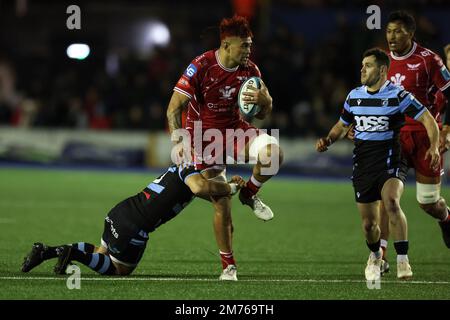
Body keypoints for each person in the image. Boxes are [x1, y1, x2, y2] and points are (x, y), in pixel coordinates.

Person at [166, 15, 283, 279]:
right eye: (245, 45)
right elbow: (173, 110)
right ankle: (228, 266)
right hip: (204, 139)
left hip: (234, 131)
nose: (249, 50)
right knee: (221, 203)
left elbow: (262, 115)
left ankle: (249, 193)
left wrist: (267, 101)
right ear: (227, 44)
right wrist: (179, 142)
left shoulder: (251, 71)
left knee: (273, 154)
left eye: (250, 45)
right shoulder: (201, 65)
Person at [316, 48, 440, 281]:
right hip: (363, 164)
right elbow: (342, 126)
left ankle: (403, 260)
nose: (362, 69)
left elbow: (427, 119)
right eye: (362, 65)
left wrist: (433, 146)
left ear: (382, 70)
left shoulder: (398, 95)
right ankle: (375, 256)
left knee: (391, 202)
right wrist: (328, 140)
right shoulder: (354, 95)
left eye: (368, 65)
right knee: (368, 225)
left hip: (390, 159)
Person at [21, 162, 245, 280]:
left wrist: (228, 191)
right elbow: (200, 187)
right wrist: (230, 187)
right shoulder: (191, 170)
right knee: (119, 270)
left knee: (100, 254)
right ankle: (74, 255)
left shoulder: (183, 169)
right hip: (135, 226)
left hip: (120, 212)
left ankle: (47, 251)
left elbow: (208, 193)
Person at [378, 11, 450, 272]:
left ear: (411, 33)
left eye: (398, 31)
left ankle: (446, 218)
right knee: (387, 197)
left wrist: (445, 131)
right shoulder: (381, 61)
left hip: (424, 135)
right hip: (394, 136)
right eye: (389, 31)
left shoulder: (429, 59)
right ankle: (381, 256)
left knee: (428, 202)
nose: (392, 37)